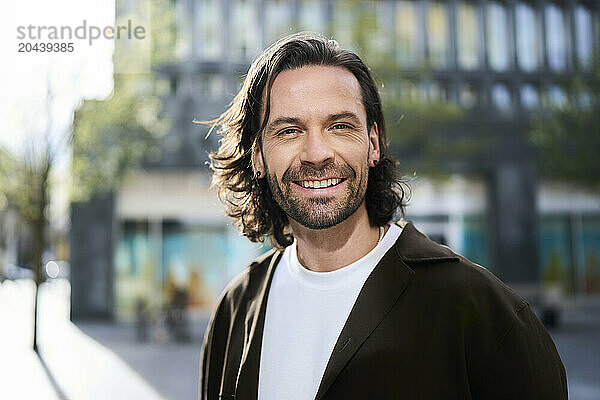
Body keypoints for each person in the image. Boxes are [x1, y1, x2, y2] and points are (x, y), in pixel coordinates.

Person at [199, 32, 567, 400]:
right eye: (290, 130)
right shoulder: (235, 310)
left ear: (372, 144)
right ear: (259, 156)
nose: (316, 153)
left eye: (340, 126)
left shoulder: (479, 310)